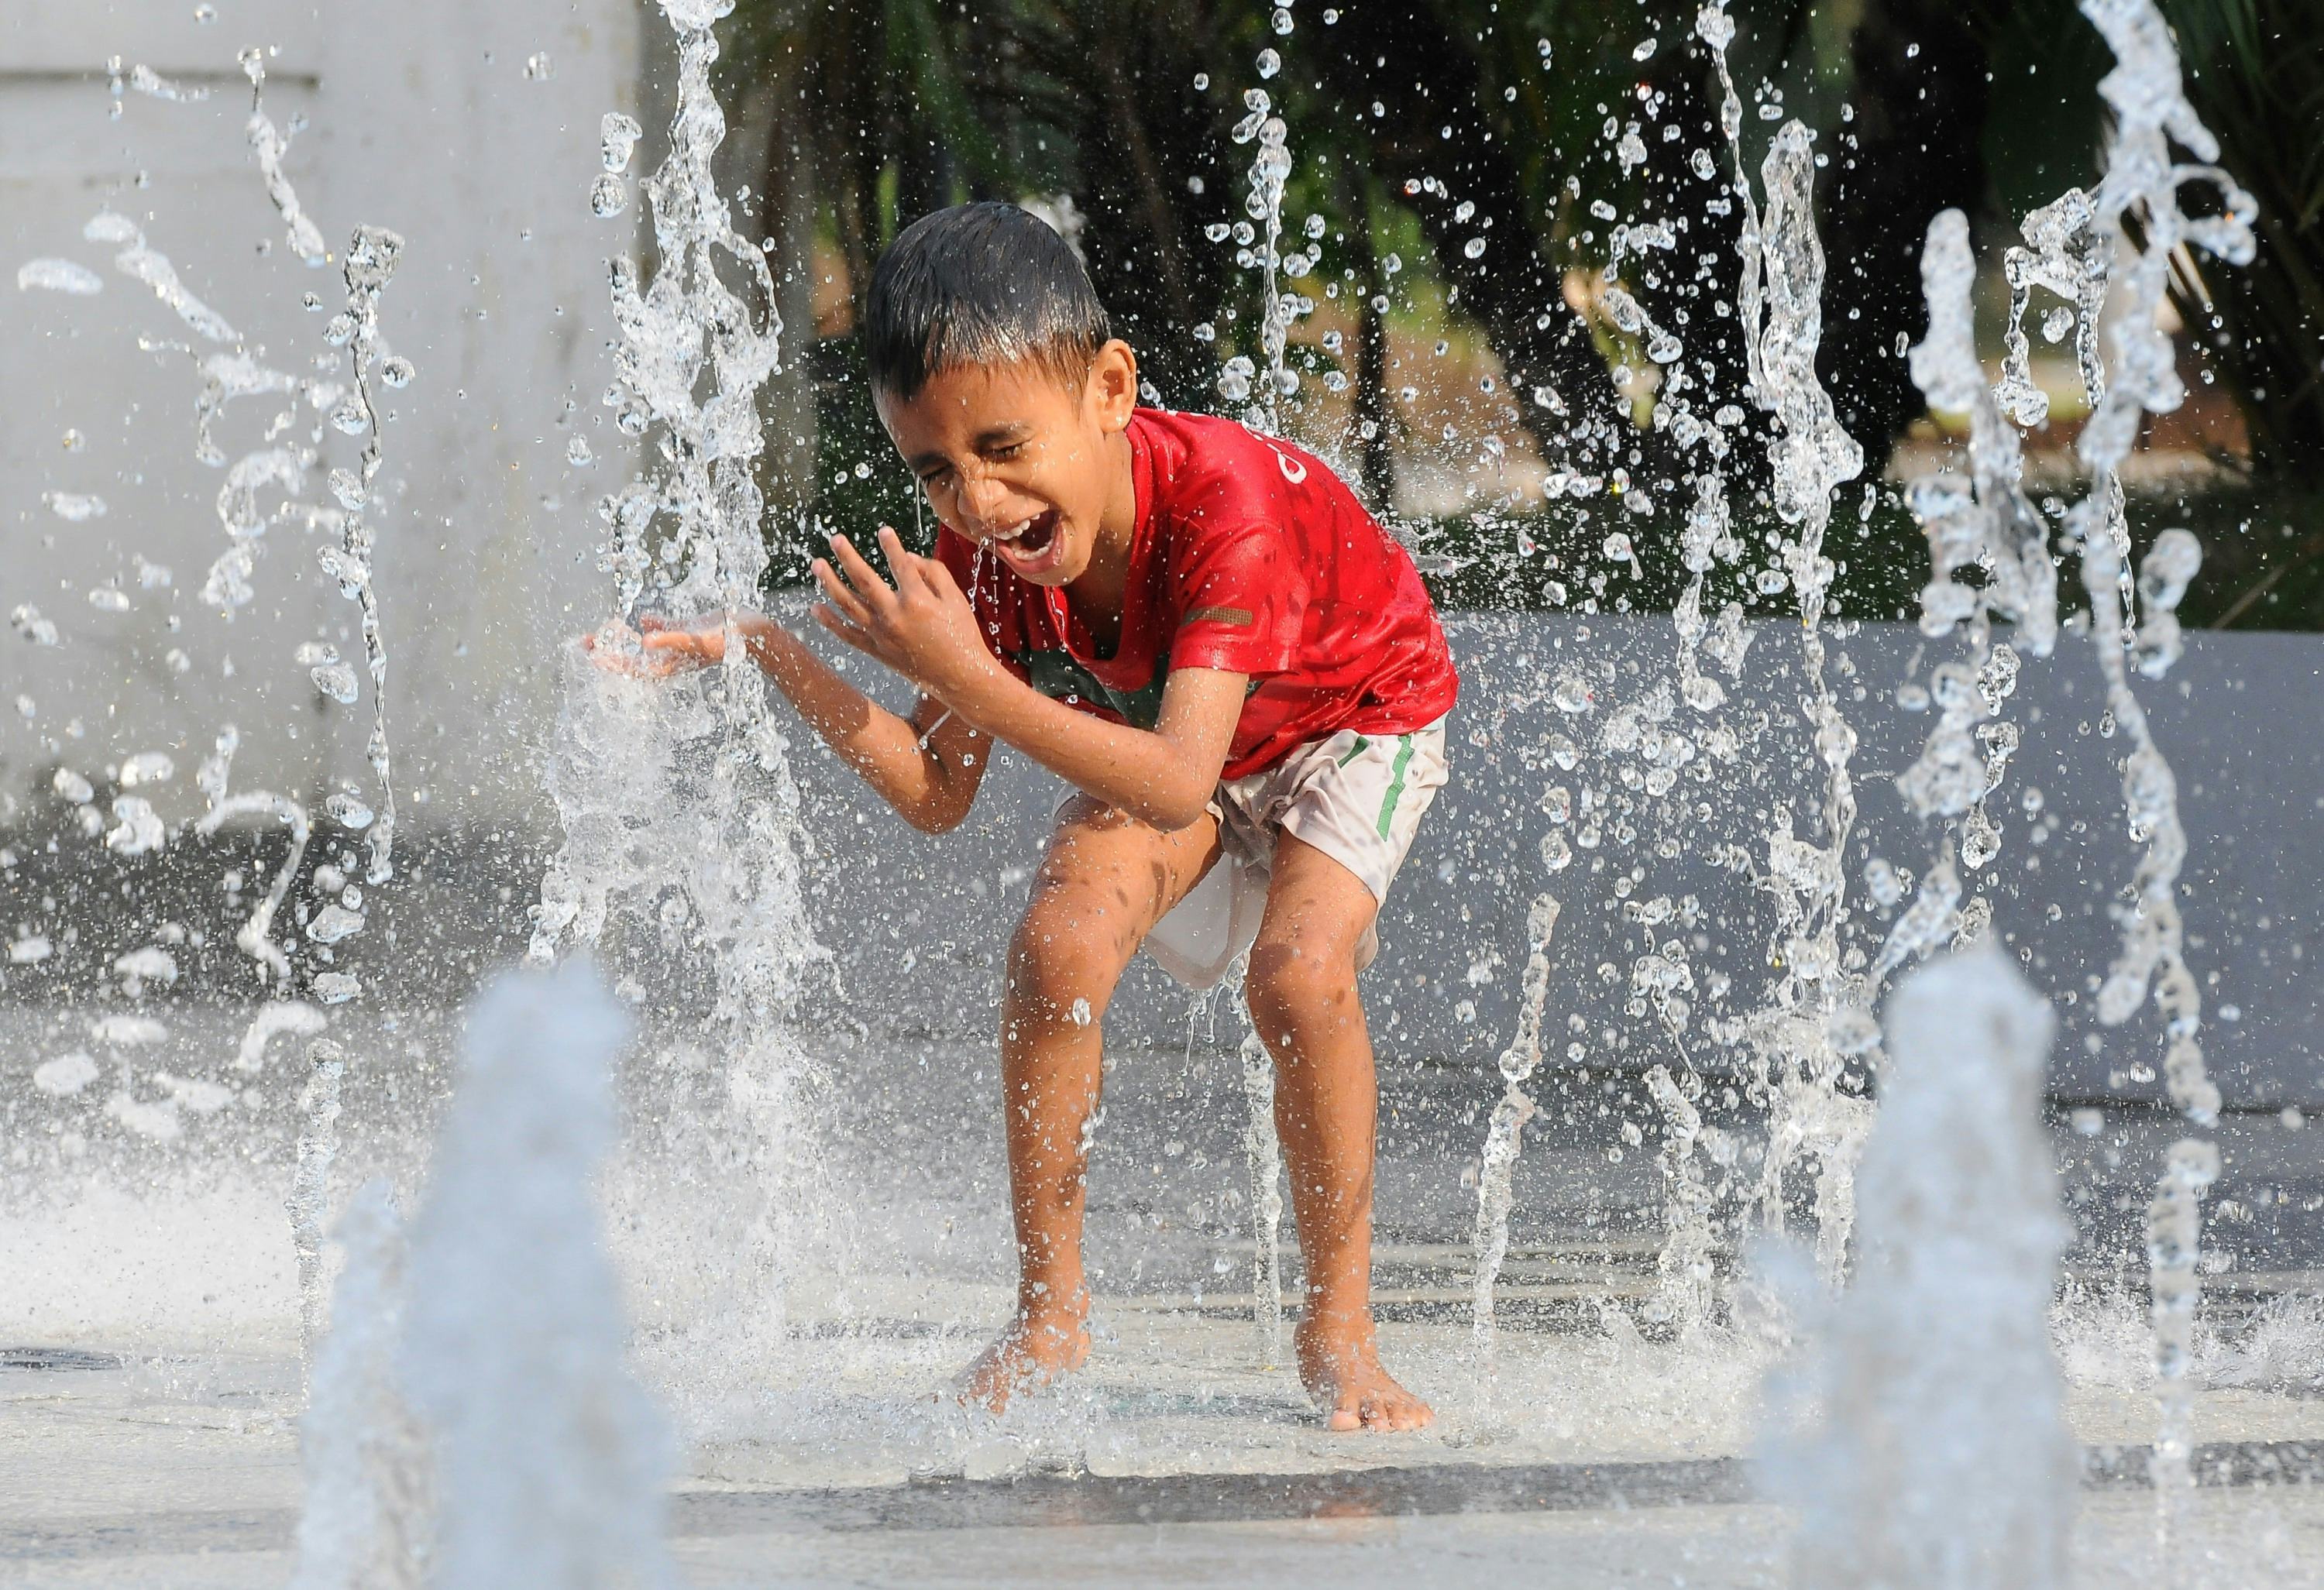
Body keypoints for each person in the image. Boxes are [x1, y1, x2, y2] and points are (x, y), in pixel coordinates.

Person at [607, 201, 1457, 1432]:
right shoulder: (993, 559)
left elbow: (1166, 782)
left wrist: (966, 674)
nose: (980, 502)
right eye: (936, 470)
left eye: (1005, 447)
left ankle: (1342, 1333)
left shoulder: (1231, 510)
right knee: (1053, 949)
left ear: (1110, 387)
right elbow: (937, 793)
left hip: (1351, 719)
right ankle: (1049, 1317)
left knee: (1297, 974)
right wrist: (767, 649)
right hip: (1193, 738)